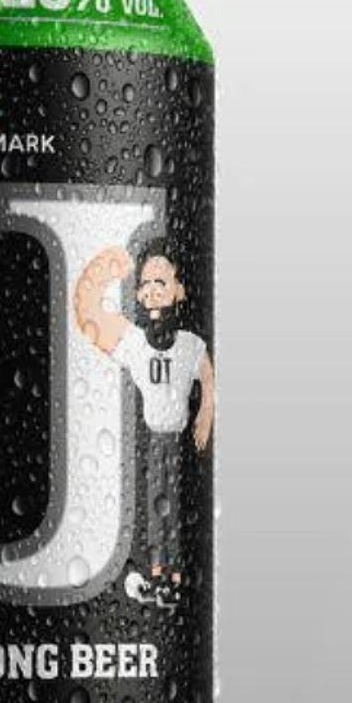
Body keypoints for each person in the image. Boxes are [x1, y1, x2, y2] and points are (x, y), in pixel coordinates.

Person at [74, 246, 214, 606]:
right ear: (137, 293)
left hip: (178, 441)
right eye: (146, 283)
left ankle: (174, 579)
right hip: (154, 440)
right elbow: (91, 318)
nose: (152, 290)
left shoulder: (188, 344)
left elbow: (207, 375)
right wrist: (103, 273)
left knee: (174, 509)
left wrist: (205, 411)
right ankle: (158, 575)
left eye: (161, 282)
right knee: (157, 509)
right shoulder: (136, 343)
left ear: (179, 290)